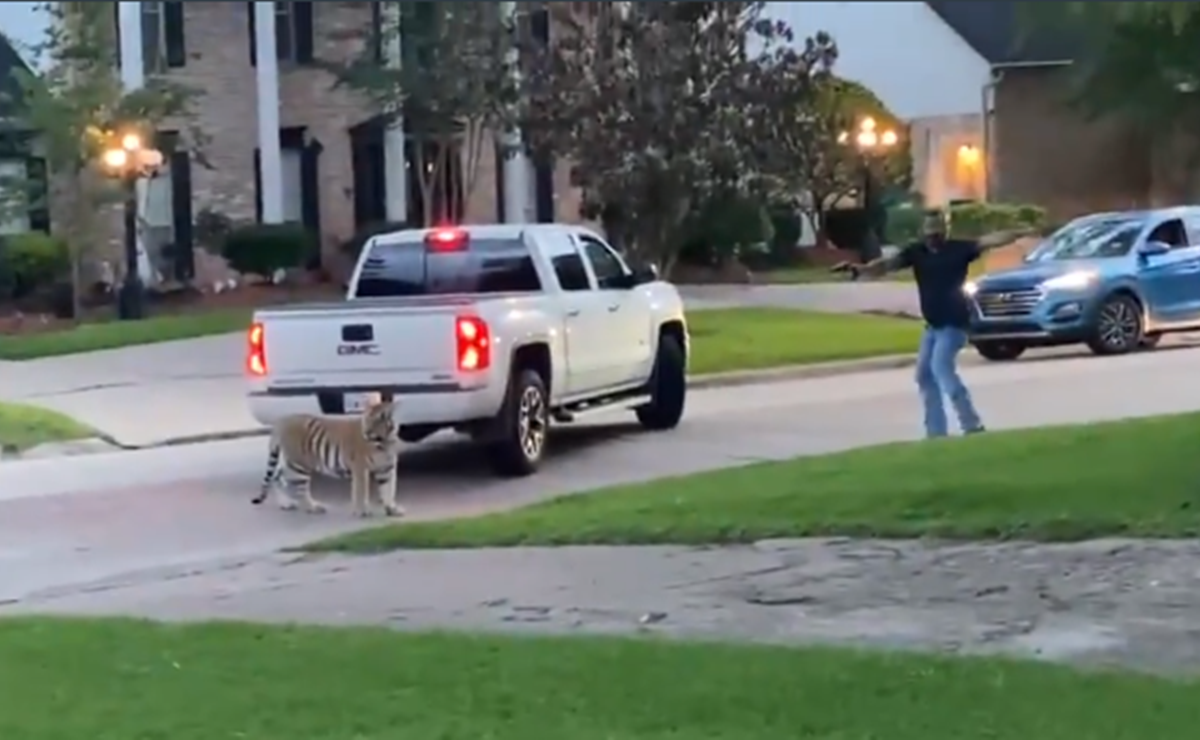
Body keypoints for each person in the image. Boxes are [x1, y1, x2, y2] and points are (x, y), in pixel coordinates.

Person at [831, 210, 1033, 438]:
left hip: (954, 325)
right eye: (929, 233)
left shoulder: (958, 250)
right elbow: (887, 264)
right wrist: (860, 269)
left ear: (944, 232)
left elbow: (990, 240)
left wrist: (1019, 231)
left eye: (936, 233)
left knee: (941, 369)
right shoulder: (917, 252)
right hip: (932, 327)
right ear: (923, 232)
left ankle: (972, 425)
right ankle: (936, 432)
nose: (932, 238)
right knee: (924, 376)